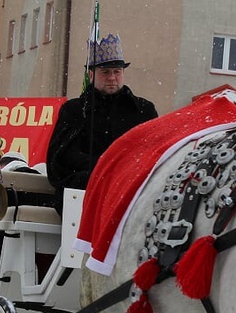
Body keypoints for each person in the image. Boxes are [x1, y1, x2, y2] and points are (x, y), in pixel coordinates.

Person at [46, 33, 158, 212]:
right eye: (105, 72)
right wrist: (103, 168)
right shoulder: (75, 110)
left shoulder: (143, 110)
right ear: (91, 74)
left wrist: (124, 170)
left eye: (117, 71)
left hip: (130, 189)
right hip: (85, 192)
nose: (112, 77)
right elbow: (63, 157)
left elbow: (153, 153)